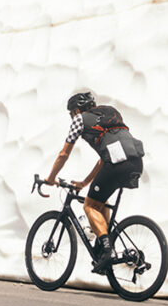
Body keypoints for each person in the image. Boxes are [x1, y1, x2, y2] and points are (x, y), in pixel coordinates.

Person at [45, 92, 144, 273]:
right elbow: (103, 159)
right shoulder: (111, 112)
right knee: (101, 200)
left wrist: (51, 178)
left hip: (116, 164)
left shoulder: (79, 120)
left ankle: (107, 251)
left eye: (71, 113)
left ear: (76, 110)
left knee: (89, 206)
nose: (72, 117)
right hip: (136, 161)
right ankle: (107, 244)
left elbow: (64, 154)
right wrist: (84, 183)